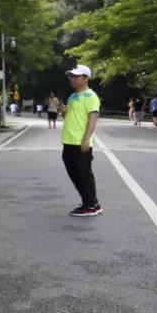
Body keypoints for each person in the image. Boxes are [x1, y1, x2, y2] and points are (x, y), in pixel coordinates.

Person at [59, 65, 101, 217]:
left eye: (76, 76)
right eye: (70, 76)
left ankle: (90, 206)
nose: (72, 79)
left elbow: (93, 118)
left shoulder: (91, 96)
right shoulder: (72, 96)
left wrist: (86, 139)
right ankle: (91, 202)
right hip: (69, 141)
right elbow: (68, 118)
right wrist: (64, 112)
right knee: (75, 174)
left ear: (86, 78)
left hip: (80, 142)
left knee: (83, 175)